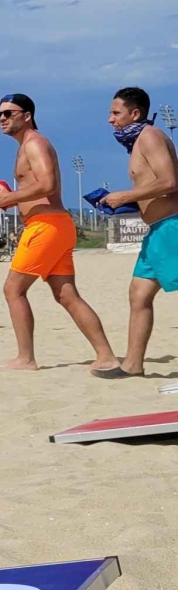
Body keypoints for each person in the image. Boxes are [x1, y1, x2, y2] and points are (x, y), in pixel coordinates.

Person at [0, 93, 119, 372]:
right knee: (66, 295)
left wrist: (11, 198)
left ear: (27, 116)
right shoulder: (26, 146)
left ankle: (25, 358)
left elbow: (48, 185)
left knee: (13, 289)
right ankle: (105, 356)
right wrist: (8, 196)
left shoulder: (34, 143)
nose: (2, 119)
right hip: (53, 225)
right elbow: (37, 188)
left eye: (9, 113)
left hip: (46, 226)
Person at [96, 87, 178, 378]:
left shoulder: (150, 136)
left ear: (134, 113)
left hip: (172, 227)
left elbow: (170, 182)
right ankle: (132, 365)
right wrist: (126, 202)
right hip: (156, 231)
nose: (110, 119)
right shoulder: (138, 142)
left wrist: (125, 195)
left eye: (115, 113)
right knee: (138, 294)